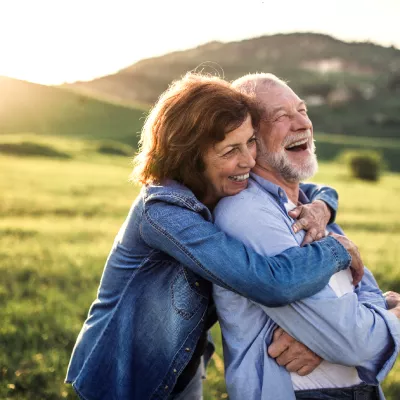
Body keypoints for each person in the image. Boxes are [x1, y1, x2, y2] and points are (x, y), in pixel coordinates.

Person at [65, 73, 362, 400]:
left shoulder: (219, 185)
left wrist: (322, 206)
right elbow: (269, 283)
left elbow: (305, 188)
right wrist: (337, 250)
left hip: (183, 367)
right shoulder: (162, 213)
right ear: (191, 157)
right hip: (125, 378)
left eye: (250, 141)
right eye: (230, 150)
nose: (249, 160)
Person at [213, 73, 400, 400]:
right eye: (282, 117)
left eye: (302, 110)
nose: (302, 124)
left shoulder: (309, 208)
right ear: (248, 138)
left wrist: (331, 340)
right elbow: (351, 342)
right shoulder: (248, 214)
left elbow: (358, 296)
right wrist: (392, 317)